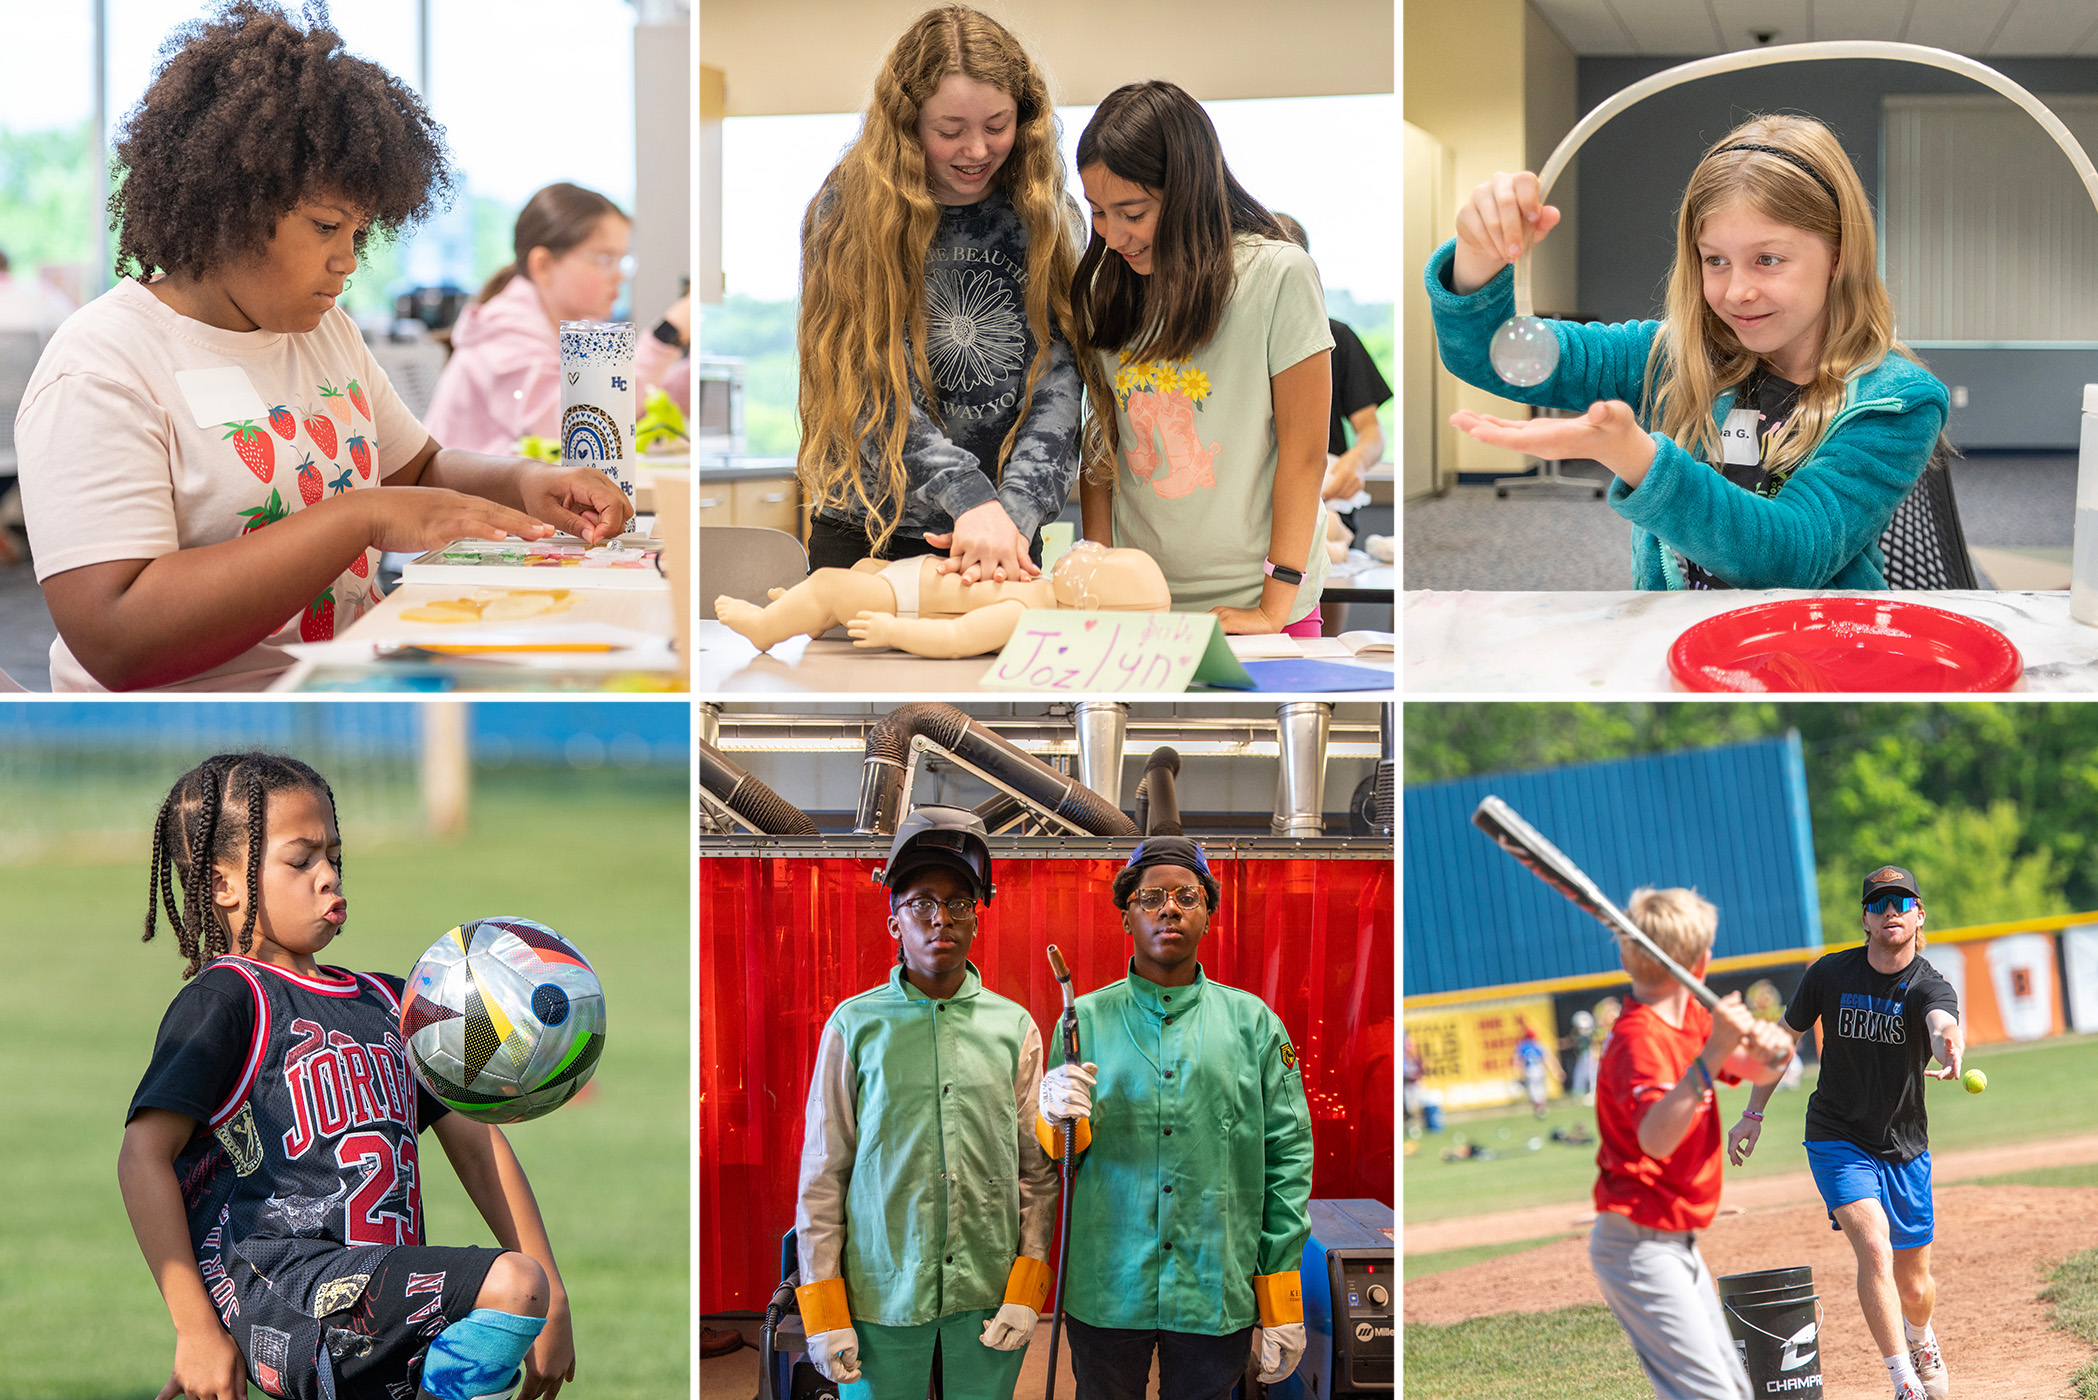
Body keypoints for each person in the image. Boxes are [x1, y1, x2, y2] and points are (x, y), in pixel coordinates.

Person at [14, 2, 631, 691]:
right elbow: (116, 638)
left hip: (343, 688)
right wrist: (357, 517)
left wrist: (521, 481)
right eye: (325, 226)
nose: (347, 261)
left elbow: (417, 472)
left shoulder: (323, 331)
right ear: (230, 205)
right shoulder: (102, 366)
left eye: (358, 235)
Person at [118, 752, 574, 1400]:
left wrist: (554, 1301)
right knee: (512, 1283)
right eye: (302, 860)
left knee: (526, 1286)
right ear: (225, 884)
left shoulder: (394, 1002)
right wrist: (195, 1328)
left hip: (376, 1302)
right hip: (285, 1289)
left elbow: (480, 1147)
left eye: (334, 855)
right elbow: (142, 1158)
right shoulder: (226, 998)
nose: (329, 876)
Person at [1426, 114, 1949, 590]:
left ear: (1839, 256)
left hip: (1810, 660)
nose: (1736, 290)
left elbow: (1791, 554)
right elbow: (1486, 353)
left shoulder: (1897, 401)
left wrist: (1639, 459)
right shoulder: (1673, 358)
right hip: (1675, 648)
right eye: (1715, 260)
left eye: (1767, 259)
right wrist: (1478, 256)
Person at [796, 5, 1084, 585]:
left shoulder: (1047, 213)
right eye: (950, 131)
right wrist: (969, 499)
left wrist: (1011, 512)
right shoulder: (848, 210)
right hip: (869, 531)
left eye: (997, 125)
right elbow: (866, 381)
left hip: (1003, 538)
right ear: (907, 124)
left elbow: (1061, 381)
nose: (976, 150)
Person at [793, 807, 1057, 1400]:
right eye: (922, 904)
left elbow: (1036, 1175)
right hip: (879, 1297)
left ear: (976, 918)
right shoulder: (855, 1027)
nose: (942, 919)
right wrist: (826, 1311)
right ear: (894, 922)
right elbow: (823, 1177)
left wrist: (1027, 1289)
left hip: (987, 1295)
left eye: (959, 903)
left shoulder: (1013, 1027)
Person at [1037, 836, 1314, 1398]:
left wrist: (1281, 1294)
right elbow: (1053, 1161)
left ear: (1208, 915)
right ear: (1127, 917)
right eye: (1152, 896)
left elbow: (1288, 1159)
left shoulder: (1253, 1024)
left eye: (1187, 896)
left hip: (1215, 1288)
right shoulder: (1080, 1021)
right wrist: (1049, 1116)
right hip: (1107, 1288)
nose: (1169, 908)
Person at [1072, 82, 1334, 637]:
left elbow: (1305, 452)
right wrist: (1097, 577)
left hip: (1265, 603)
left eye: (1132, 213)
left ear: (1187, 192)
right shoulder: (1105, 287)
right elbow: (1100, 447)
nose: (1113, 235)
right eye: (1098, 212)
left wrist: (1274, 604)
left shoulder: (1277, 275)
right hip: (1140, 603)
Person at [1730, 866, 1963, 1400]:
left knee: (1914, 1284)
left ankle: (1921, 1336)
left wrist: (1951, 1044)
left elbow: (1941, 1022)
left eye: (1901, 903)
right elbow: (1783, 1042)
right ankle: (1904, 1380)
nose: (1890, 913)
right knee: (1875, 1251)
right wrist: (1753, 1113)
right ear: (1864, 917)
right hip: (1836, 1136)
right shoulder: (1829, 974)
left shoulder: (1929, 984)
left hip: (1903, 1145)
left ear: (1919, 914)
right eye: (1879, 904)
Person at [1591, 887, 1791, 1400]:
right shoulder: (1640, 1038)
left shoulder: (1692, 1021)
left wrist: (1773, 1049)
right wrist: (1714, 1051)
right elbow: (1656, 1137)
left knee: (1731, 1393)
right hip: (1638, 1246)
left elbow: (1756, 1066)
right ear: (1702, 962)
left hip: (1675, 1243)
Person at [423, 182, 688, 456]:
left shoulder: (577, 329)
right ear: (543, 265)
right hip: (463, 498)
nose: (619, 275)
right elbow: (577, 424)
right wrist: (665, 336)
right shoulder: (504, 334)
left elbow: (638, 401)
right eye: (604, 259)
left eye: (622, 260)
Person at [712, 538, 1170, 657]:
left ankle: (765, 628)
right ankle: (807, 612)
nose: (1088, 552)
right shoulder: (1044, 590)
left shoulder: (1025, 615)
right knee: (859, 572)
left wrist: (894, 630)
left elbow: (956, 637)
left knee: (832, 583)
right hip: (899, 576)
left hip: (900, 601)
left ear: (1091, 607)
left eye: (1097, 563)